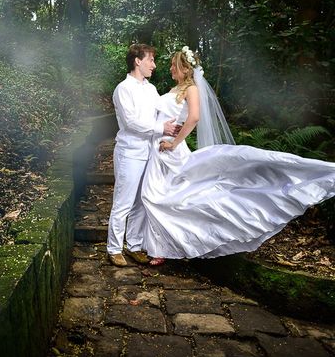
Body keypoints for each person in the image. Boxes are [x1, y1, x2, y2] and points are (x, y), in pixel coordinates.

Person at [140, 47, 335, 265]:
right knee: (155, 197)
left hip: (171, 149)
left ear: (184, 68)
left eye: (173, 64)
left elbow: (194, 117)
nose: (169, 68)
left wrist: (175, 143)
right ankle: (162, 246)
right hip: (159, 150)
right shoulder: (174, 88)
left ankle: (180, 244)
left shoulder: (192, 89)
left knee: (173, 198)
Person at [107, 44, 180, 267]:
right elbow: (131, 123)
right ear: (137, 61)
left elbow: (162, 113)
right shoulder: (123, 89)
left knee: (141, 202)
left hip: (150, 153)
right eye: (150, 60)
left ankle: (135, 245)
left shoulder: (151, 89)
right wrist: (161, 129)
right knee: (124, 201)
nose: (154, 65)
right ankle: (113, 248)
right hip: (129, 152)